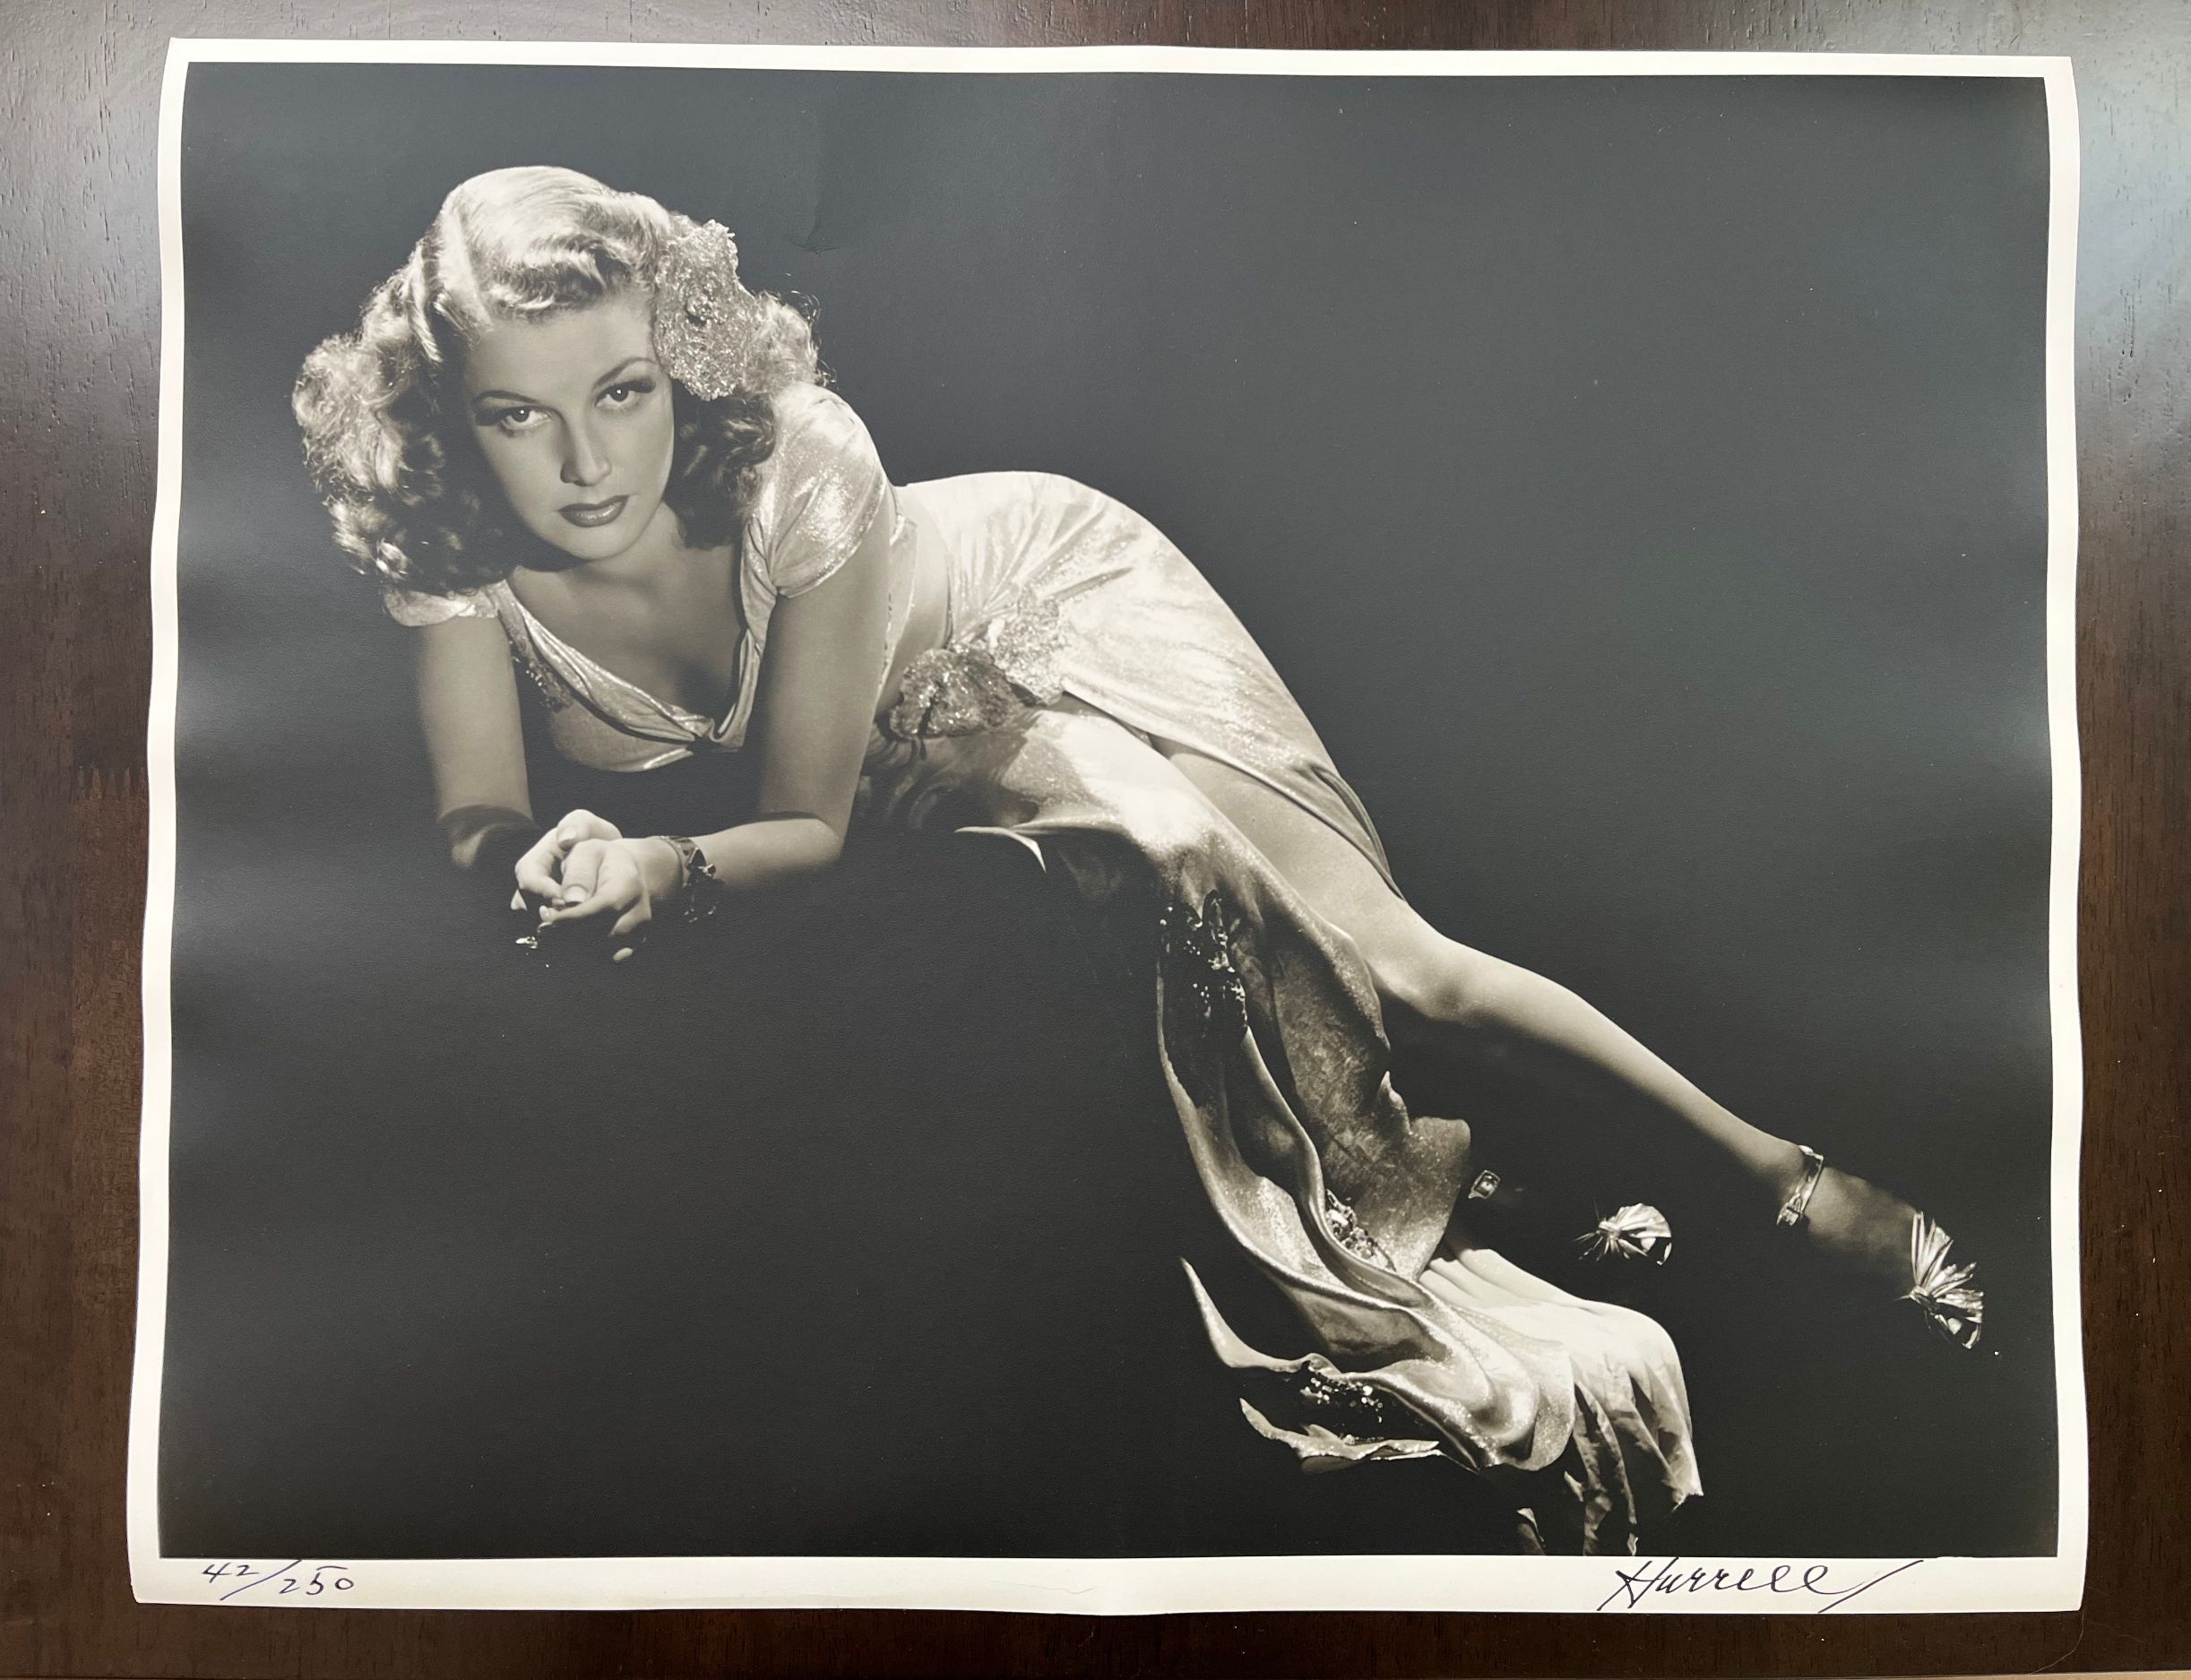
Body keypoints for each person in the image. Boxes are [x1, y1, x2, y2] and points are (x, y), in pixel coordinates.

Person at [292, 165, 1983, 1555]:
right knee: (1204, 979)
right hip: (893, 743)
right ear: (453, 417)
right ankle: (1487, 1186)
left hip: (1038, 605)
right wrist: (538, 862)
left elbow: (808, 823)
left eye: (625, 393)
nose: (586, 465)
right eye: (519, 415)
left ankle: (1793, 1184)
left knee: (1395, 970)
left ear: (683, 364)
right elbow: (477, 821)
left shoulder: (803, 459)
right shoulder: (450, 549)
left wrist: (663, 867)